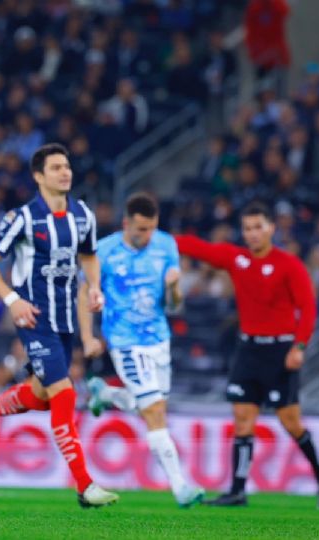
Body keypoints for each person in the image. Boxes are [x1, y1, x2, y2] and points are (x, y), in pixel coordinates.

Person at [0, 143, 118, 508]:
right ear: (38, 176)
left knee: (40, 395)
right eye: (57, 168)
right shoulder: (24, 218)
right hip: (34, 318)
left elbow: (90, 257)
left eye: (67, 166)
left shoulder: (83, 216)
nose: (65, 172)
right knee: (64, 393)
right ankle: (84, 486)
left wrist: (94, 288)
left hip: (65, 321)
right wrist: (12, 301)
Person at [175, 202, 319, 508]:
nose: (253, 233)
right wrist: (161, 237)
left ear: (271, 228)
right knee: (242, 419)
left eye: (258, 227)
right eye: (247, 228)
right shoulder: (237, 259)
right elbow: (202, 249)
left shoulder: (289, 264)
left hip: (280, 351)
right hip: (248, 349)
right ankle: (237, 491)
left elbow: (309, 308)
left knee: (290, 422)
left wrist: (299, 346)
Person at [78, 192, 204, 507]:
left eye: (151, 229)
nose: (147, 236)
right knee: (155, 412)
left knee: (150, 406)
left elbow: (174, 306)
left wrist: (175, 286)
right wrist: (88, 338)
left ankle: (106, 395)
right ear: (126, 224)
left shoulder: (166, 246)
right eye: (140, 230)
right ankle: (181, 487)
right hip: (124, 342)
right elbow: (84, 293)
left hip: (159, 341)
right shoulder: (104, 251)